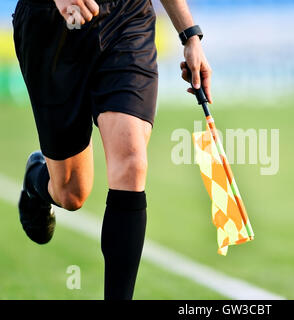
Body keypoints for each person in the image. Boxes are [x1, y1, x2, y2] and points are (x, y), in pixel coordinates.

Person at [13, 0, 212, 300]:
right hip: (52, 22)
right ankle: (36, 180)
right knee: (71, 193)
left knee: (132, 163)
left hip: (125, 18)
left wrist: (190, 34)